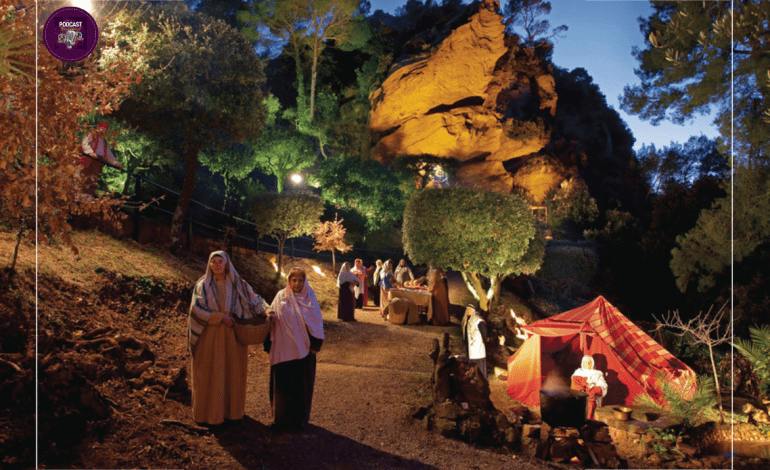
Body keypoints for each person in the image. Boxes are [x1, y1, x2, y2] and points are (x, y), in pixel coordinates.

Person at [188, 251, 270, 426]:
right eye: (214, 262)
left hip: (233, 334)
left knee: (232, 372)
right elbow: (196, 308)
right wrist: (218, 317)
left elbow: (254, 299)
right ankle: (207, 415)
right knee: (209, 372)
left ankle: (232, 413)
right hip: (209, 335)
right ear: (209, 265)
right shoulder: (202, 285)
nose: (217, 265)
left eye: (221, 262)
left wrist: (267, 311)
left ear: (226, 264)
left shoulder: (238, 283)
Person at [265, 267, 324, 433]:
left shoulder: (310, 299)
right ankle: (280, 420)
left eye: (300, 280)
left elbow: (316, 324)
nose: (297, 283)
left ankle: (299, 420)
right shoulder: (280, 297)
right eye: (294, 280)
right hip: (282, 350)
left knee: (300, 386)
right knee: (281, 386)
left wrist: (315, 346)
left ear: (305, 282)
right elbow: (271, 317)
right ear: (289, 281)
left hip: (303, 352)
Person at [78, 122, 122, 196]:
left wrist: (115, 163)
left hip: (98, 163)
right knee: (84, 177)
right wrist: (90, 152)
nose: (103, 131)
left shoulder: (104, 142)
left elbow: (109, 154)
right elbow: (85, 143)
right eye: (101, 129)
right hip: (88, 160)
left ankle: (89, 197)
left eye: (105, 130)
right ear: (97, 128)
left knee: (93, 180)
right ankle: (80, 195)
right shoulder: (91, 135)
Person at [571, 355, 608, 420]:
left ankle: (589, 423)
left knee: (590, 404)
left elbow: (603, 386)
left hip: (592, 396)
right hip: (580, 396)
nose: (587, 364)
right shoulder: (578, 372)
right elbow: (574, 386)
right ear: (582, 363)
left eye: (590, 362)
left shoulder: (597, 374)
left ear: (593, 363)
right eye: (585, 362)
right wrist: (584, 391)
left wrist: (592, 391)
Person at [462, 305, 488, 377]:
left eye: (469, 310)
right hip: (470, 349)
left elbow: (484, 333)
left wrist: (481, 343)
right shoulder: (468, 320)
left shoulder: (478, 320)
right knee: (471, 367)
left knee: (479, 368)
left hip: (477, 348)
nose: (467, 311)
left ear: (473, 311)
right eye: (467, 309)